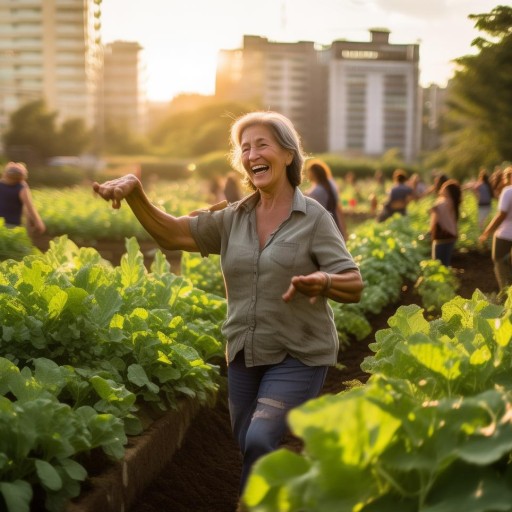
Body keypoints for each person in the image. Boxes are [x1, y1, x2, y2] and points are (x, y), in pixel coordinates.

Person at [92, 111, 363, 498]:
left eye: (262, 144)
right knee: (248, 443)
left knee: (259, 438)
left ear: (288, 155)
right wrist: (135, 191)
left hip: (299, 353)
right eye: (245, 147)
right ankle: (286, 497)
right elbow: (172, 234)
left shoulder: (314, 218)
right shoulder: (233, 218)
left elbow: (353, 283)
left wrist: (324, 280)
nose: (252, 153)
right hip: (243, 351)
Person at [479, 166, 512, 294]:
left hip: (504, 235)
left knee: (499, 262)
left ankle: (505, 297)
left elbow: (501, 215)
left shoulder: (508, 191)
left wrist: (487, 232)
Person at [305, 158, 348, 239]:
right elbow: (338, 208)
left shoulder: (316, 191)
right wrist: (343, 230)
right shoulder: (331, 185)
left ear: (314, 173)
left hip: (322, 228)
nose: (307, 174)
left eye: (309, 172)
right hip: (334, 223)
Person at [0, 161, 46, 234]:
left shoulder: (3, 184)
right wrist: (38, 221)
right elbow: (29, 206)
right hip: (13, 226)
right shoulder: (21, 187)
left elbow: (28, 207)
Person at [429, 179, 462, 267]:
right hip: (451, 236)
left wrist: (429, 232)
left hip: (441, 237)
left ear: (447, 191)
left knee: (437, 264)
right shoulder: (454, 203)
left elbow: (434, 220)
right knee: (446, 264)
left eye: (443, 188)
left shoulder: (440, 203)